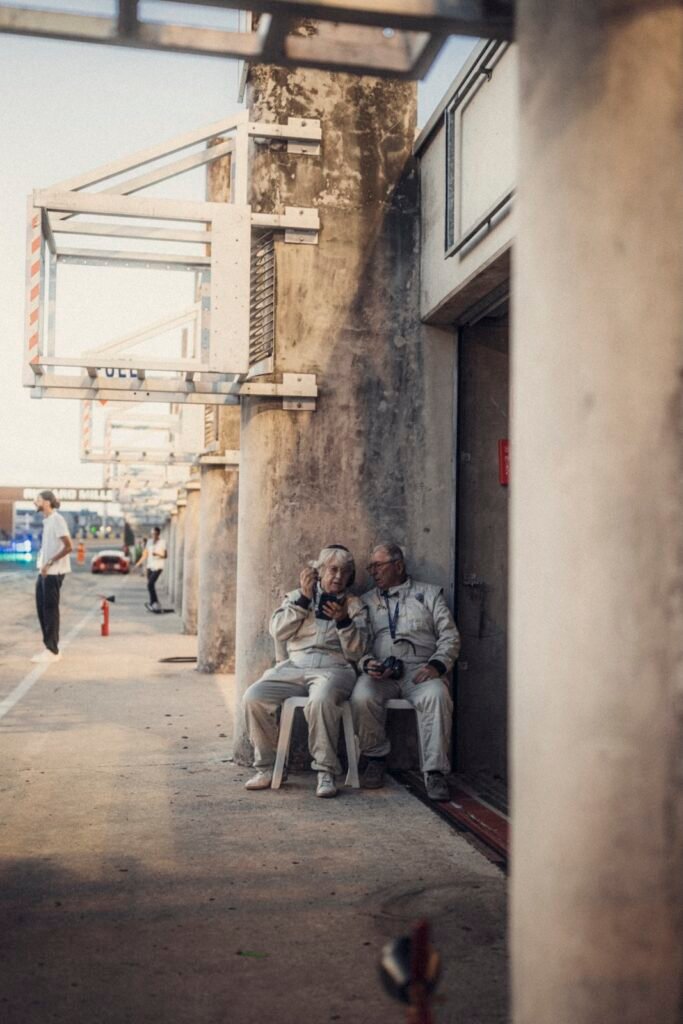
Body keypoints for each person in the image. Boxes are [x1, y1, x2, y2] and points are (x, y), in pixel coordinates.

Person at [243, 545, 369, 798]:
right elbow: (278, 632)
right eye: (332, 570)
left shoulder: (355, 604)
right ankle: (267, 767)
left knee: (321, 699)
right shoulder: (296, 596)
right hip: (296, 665)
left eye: (345, 572)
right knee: (254, 697)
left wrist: (343, 620)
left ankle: (325, 771)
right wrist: (303, 599)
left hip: (335, 667)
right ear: (319, 571)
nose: (338, 577)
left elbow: (358, 652)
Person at [351, 542, 460, 801]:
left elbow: (450, 636)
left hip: (421, 670)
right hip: (382, 672)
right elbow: (358, 643)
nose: (372, 572)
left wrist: (437, 665)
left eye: (378, 565)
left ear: (398, 566)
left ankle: (434, 772)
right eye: (371, 567)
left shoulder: (430, 594)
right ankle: (375, 757)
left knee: (437, 696)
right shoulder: (366, 601)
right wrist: (367, 663)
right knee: (362, 696)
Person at [32, 490, 73, 664]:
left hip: (53, 572)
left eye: (38, 500)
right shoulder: (47, 521)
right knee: (42, 609)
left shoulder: (57, 519)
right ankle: (48, 647)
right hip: (44, 572)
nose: (36, 502)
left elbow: (69, 546)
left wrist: (49, 562)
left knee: (50, 610)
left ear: (47, 502)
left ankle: (53, 650)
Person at [134, 527, 167, 611]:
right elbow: (145, 554)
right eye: (152, 534)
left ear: (158, 534)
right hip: (150, 567)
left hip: (158, 567)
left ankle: (154, 603)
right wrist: (138, 563)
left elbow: (166, 555)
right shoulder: (149, 542)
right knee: (150, 586)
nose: (153, 535)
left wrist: (158, 554)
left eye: (155, 534)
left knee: (150, 584)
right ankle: (154, 603)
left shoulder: (162, 542)